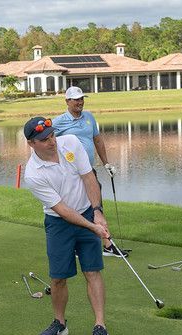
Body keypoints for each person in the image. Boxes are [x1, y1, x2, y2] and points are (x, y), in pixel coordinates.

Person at [23, 116, 112, 335]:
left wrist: (97, 212)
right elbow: (62, 210)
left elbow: (89, 177)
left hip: (87, 210)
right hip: (58, 224)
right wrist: (93, 227)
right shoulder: (33, 174)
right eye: (44, 139)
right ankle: (60, 323)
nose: (52, 141)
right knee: (58, 277)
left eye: (52, 135)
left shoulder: (71, 142)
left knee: (92, 271)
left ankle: (100, 327)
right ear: (31, 144)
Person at [52, 86, 128, 258]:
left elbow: (97, 140)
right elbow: (46, 142)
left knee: (96, 205)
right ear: (67, 101)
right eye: (76, 99)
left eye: (81, 99)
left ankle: (106, 244)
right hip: (71, 173)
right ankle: (88, 244)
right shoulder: (59, 122)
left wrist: (106, 163)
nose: (80, 102)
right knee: (79, 206)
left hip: (88, 170)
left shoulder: (89, 117)